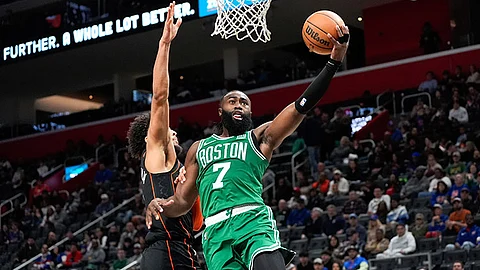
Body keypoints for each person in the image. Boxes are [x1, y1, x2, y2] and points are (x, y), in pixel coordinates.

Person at [147, 25, 350, 270]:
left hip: (252, 222)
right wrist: (161, 204)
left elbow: (300, 107)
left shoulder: (259, 138)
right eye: (232, 101)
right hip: (215, 235)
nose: (239, 105)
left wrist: (333, 64)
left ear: (250, 112)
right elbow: (183, 201)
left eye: (244, 103)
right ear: (221, 111)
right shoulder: (198, 149)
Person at [126, 3, 202, 269]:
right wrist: (165, 44)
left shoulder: (166, 166)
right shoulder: (157, 152)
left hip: (174, 250)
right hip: (169, 251)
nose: (173, 131)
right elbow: (159, 98)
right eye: (168, 130)